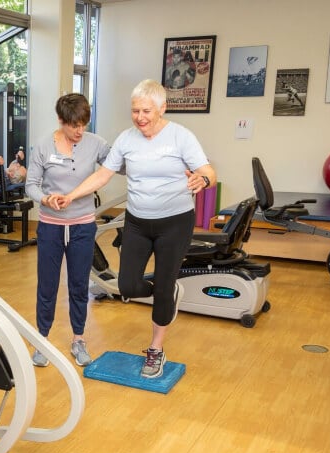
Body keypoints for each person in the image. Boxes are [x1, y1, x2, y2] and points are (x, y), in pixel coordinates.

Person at [50, 79, 217, 379]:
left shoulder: (181, 137)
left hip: (175, 222)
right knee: (127, 285)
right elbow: (103, 175)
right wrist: (72, 195)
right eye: (135, 111)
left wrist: (202, 180)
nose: (140, 117)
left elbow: (208, 171)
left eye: (146, 111)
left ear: (162, 108)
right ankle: (165, 294)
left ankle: (156, 348)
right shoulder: (127, 139)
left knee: (164, 287)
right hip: (138, 221)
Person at [24, 93, 111, 368]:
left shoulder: (96, 143)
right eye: (74, 125)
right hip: (50, 227)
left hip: (83, 226)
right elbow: (31, 185)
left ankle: (78, 339)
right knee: (47, 286)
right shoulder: (42, 146)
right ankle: (42, 340)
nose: (79, 131)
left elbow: (118, 165)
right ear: (61, 121)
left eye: (84, 124)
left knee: (78, 285)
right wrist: (45, 199)